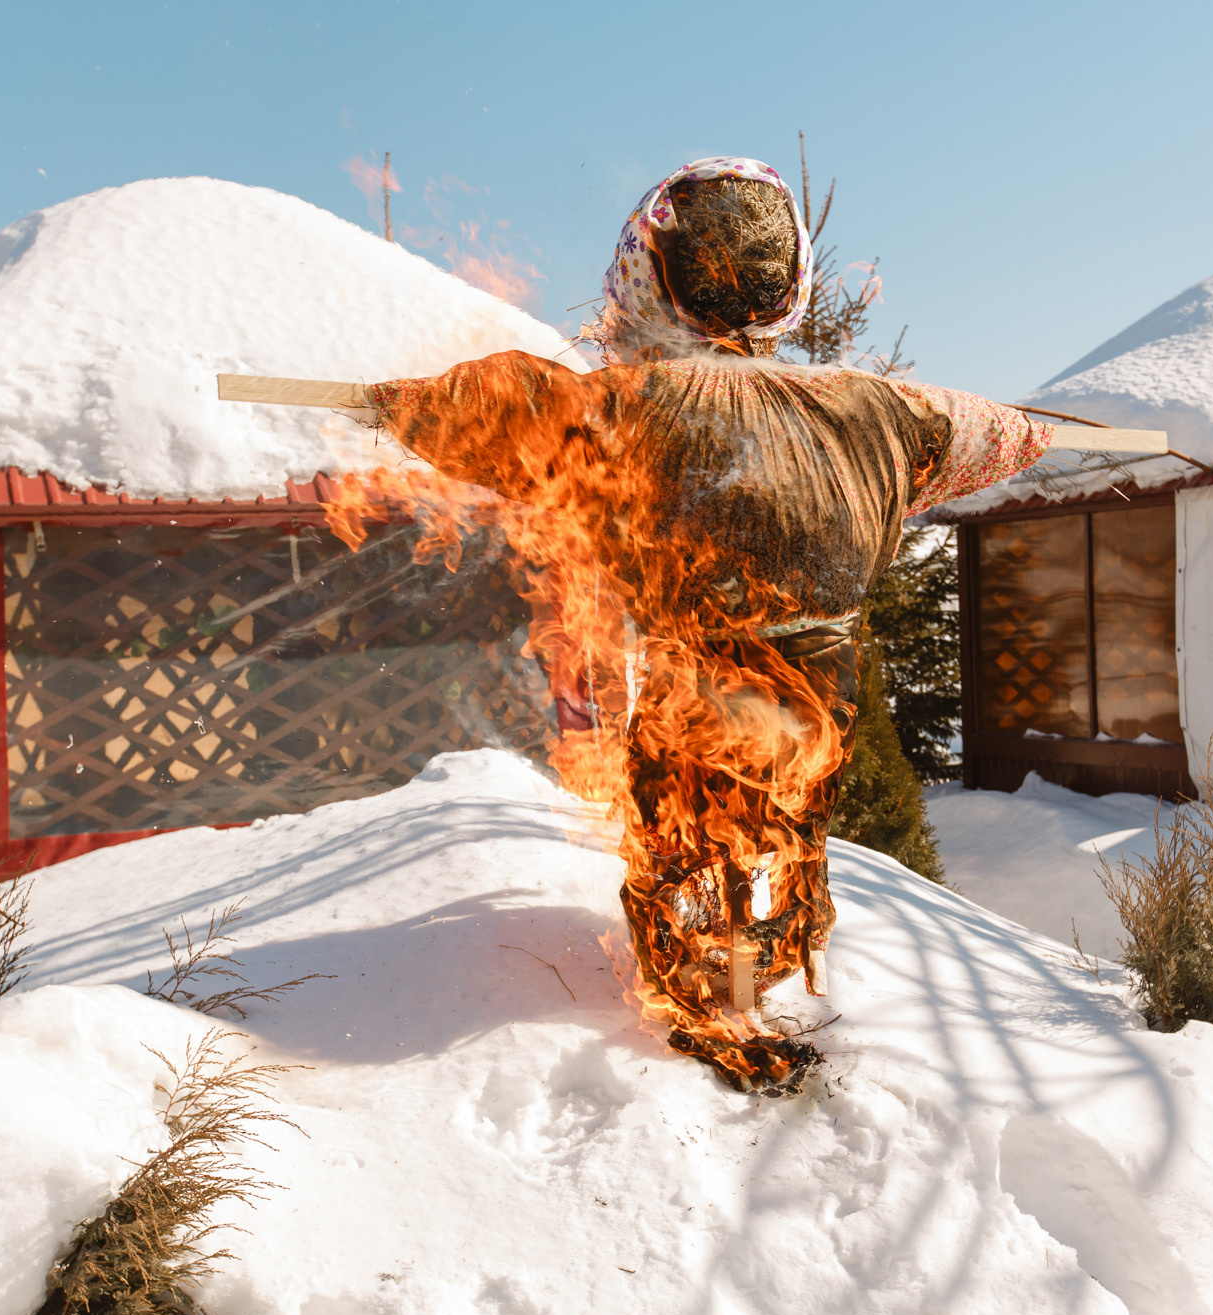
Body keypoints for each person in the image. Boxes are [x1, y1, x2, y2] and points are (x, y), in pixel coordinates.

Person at [350, 157, 1056, 1093]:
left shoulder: (618, 407)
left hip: (695, 693)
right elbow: (993, 432)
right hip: (820, 705)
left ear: (658, 272)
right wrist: (1043, 429)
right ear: (786, 284)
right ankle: (748, 987)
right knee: (773, 837)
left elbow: (496, 409)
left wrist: (398, 402)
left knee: (689, 848)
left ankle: (717, 1005)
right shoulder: (880, 411)